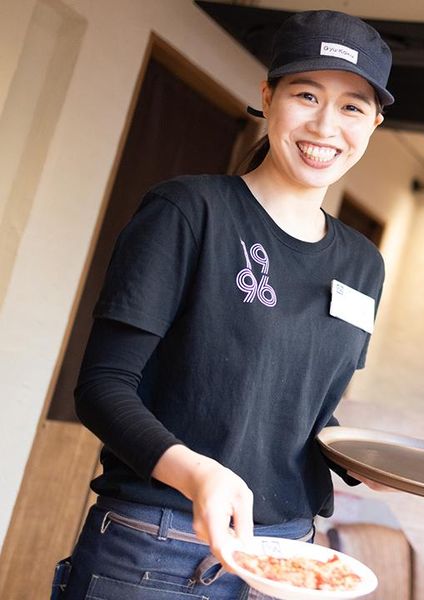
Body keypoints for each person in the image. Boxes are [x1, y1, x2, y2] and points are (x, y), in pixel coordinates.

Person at [51, 9, 394, 600]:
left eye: (352, 106)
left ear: (374, 123)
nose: (325, 125)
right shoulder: (189, 212)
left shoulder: (363, 264)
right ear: (267, 96)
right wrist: (197, 472)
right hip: (159, 545)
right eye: (306, 94)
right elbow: (103, 386)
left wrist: (354, 458)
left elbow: (295, 405)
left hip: (287, 555)